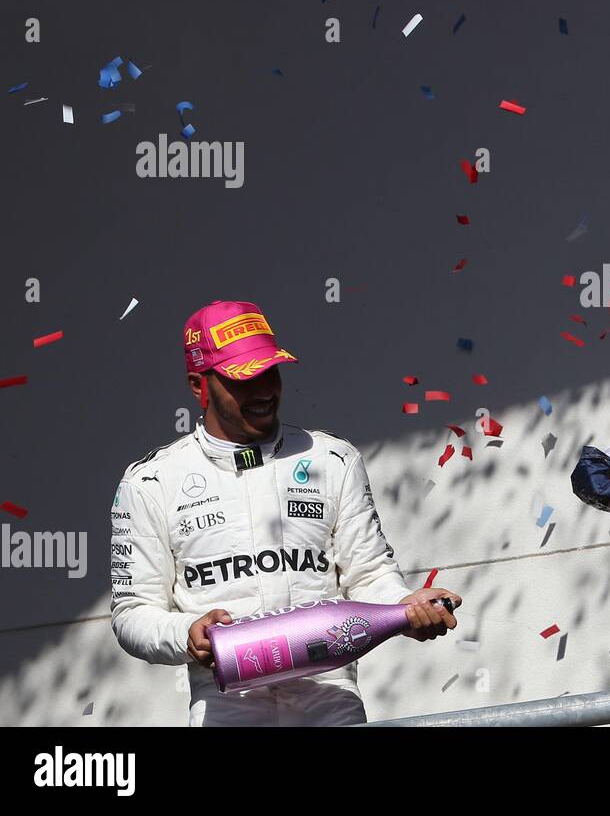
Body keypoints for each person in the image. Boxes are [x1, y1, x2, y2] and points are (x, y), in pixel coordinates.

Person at [111, 300, 461, 726]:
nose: (263, 391)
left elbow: (368, 575)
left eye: (269, 372)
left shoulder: (333, 458)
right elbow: (133, 613)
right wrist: (186, 634)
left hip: (329, 700)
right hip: (226, 707)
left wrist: (406, 607)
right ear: (198, 386)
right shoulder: (150, 482)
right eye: (243, 379)